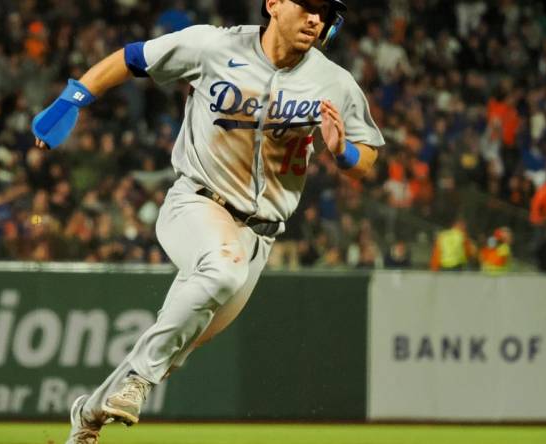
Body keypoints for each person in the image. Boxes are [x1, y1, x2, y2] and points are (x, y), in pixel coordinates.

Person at [31, 1, 383, 442]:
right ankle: (137, 379)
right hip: (197, 203)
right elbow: (133, 58)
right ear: (273, 4)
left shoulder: (334, 82)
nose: (316, 19)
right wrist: (74, 96)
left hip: (261, 235)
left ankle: (88, 417)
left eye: (325, 12)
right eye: (307, 5)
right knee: (220, 269)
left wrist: (343, 152)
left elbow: (366, 158)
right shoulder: (212, 46)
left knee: (178, 343)